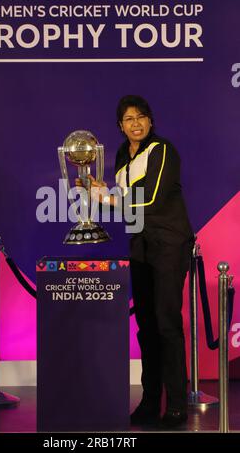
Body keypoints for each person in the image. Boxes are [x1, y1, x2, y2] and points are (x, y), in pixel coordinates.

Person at [81, 95, 194, 429]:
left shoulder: (162, 151)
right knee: (146, 327)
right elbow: (125, 202)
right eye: (128, 119)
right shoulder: (120, 154)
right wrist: (103, 193)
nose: (135, 123)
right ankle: (148, 402)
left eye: (141, 117)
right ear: (120, 125)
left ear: (150, 120)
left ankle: (175, 404)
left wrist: (110, 198)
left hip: (169, 242)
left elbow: (152, 198)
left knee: (166, 324)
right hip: (140, 244)